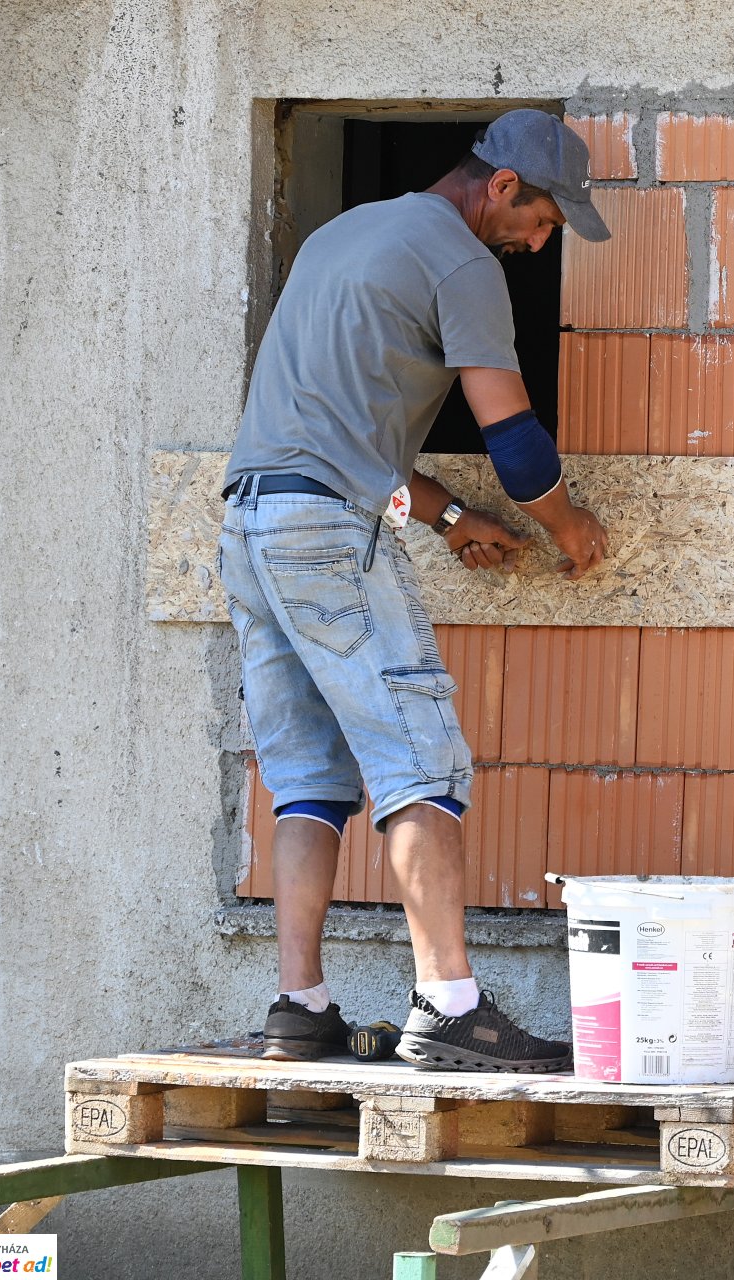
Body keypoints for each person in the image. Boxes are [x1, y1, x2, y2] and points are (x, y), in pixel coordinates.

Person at [218, 110, 614, 1072]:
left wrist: (441, 517)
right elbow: (511, 437)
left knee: (307, 775)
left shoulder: (343, 234)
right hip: (323, 530)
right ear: (505, 186)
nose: (543, 240)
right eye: (549, 218)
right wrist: (571, 531)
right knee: (420, 762)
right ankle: (448, 1006)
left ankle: (299, 1004)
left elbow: (335, 430)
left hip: (249, 521)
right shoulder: (463, 263)